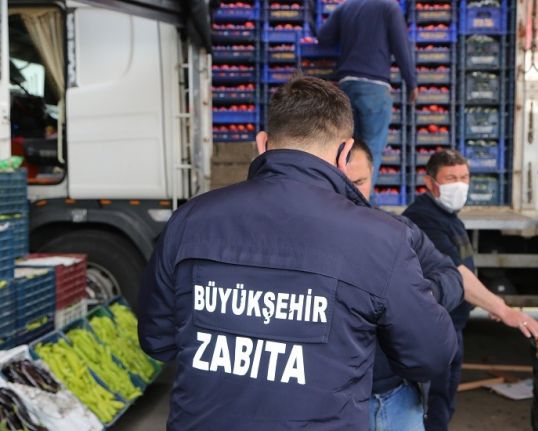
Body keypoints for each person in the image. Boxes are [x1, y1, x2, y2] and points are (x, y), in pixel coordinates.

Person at [137, 76, 457, 430]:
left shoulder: (189, 220)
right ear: (345, 153)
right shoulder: (382, 238)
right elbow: (430, 356)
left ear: (262, 144)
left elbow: (157, 339)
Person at [347, 145, 538, 430]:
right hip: (433, 329)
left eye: (464, 177)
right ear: (430, 182)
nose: (459, 185)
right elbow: (456, 273)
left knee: (444, 400)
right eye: (451, 178)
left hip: (450, 326)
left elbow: (452, 271)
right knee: (436, 406)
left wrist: (487, 303)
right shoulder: (424, 219)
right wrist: (502, 309)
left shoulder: (443, 217)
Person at [318, 0, 416, 187]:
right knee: (371, 150)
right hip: (374, 86)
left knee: (347, 148)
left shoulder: (345, 7)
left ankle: (343, 197)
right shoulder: (389, 7)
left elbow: (324, 37)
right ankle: (364, 198)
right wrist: (411, 82)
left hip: (346, 86)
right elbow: (401, 46)